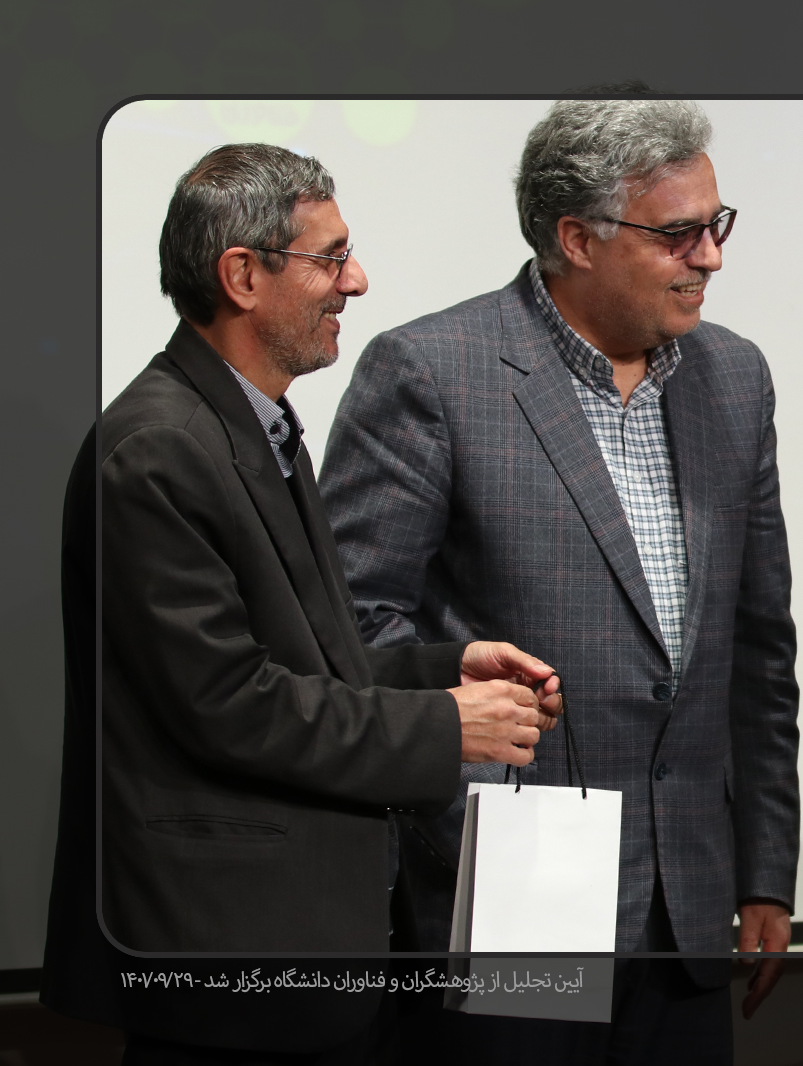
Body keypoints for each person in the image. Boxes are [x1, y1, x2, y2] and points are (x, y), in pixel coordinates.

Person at [39, 143, 562, 1064]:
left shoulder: (251, 427)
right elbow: (230, 706)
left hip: (303, 965)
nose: (356, 281)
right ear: (242, 276)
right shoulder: (157, 450)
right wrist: (446, 726)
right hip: (230, 975)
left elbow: (309, 660)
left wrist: (444, 667)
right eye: (331, 258)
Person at [318, 100, 798, 1064]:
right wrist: (468, 785)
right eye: (677, 233)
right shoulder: (432, 371)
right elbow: (350, 630)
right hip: (511, 891)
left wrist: (764, 870)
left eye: (716, 224)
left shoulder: (736, 378)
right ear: (577, 238)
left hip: (689, 906)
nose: (710, 256)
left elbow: (758, 648)